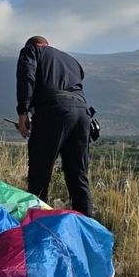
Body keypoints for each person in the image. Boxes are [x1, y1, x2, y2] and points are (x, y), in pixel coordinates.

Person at [15, 35, 94, 217]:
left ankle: (37, 225)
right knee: (78, 176)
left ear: (33, 45)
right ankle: (88, 229)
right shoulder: (71, 60)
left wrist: (23, 113)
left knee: (40, 173)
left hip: (54, 110)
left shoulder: (31, 51)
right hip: (82, 114)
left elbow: (26, 76)